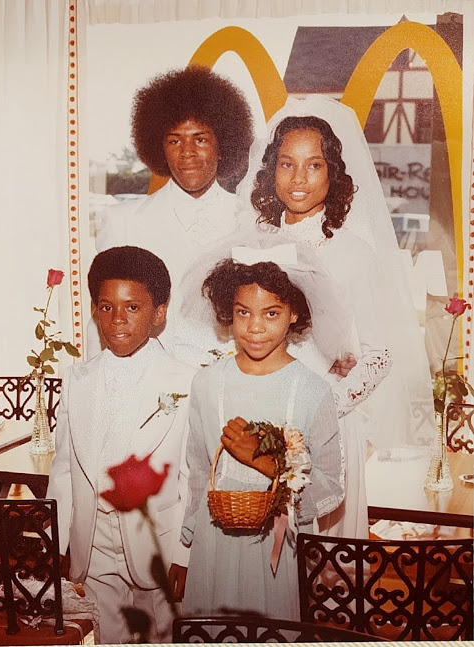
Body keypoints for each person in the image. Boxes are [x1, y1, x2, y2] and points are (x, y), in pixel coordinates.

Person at [238, 96, 435, 538]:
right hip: (256, 422)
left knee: (323, 572)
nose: (299, 179)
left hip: (326, 425)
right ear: (271, 172)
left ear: (334, 173)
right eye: (287, 165)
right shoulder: (253, 247)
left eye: (314, 165)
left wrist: (326, 407)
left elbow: (379, 355)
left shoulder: (352, 253)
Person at [173, 234, 345, 619]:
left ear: (294, 313)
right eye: (242, 313)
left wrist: (269, 466)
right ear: (227, 313)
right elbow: (199, 473)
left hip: (273, 552)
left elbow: (331, 486)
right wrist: (182, 550)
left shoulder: (313, 391)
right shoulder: (206, 384)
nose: (254, 327)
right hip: (211, 545)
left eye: (271, 313)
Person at [46, 246, 195, 644]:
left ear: (158, 313)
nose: (117, 321)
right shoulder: (78, 380)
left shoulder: (186, 382)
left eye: (132, 308)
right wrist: (61, 539)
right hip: (93, 542)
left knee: (161, 636)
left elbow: (193, 478)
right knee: (109, 636)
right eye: (107, 307)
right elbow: (64, 469)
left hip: (158, 544)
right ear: (94, 309)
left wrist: (185, 553)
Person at [90, 66, 254, 363]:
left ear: (223, 146)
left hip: (232, 385)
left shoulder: (253, 221)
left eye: (200, 139)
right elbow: (102, 322)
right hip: (150, 391)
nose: (187, 152)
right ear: (158, 148)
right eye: (174, 140)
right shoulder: (123, 223)